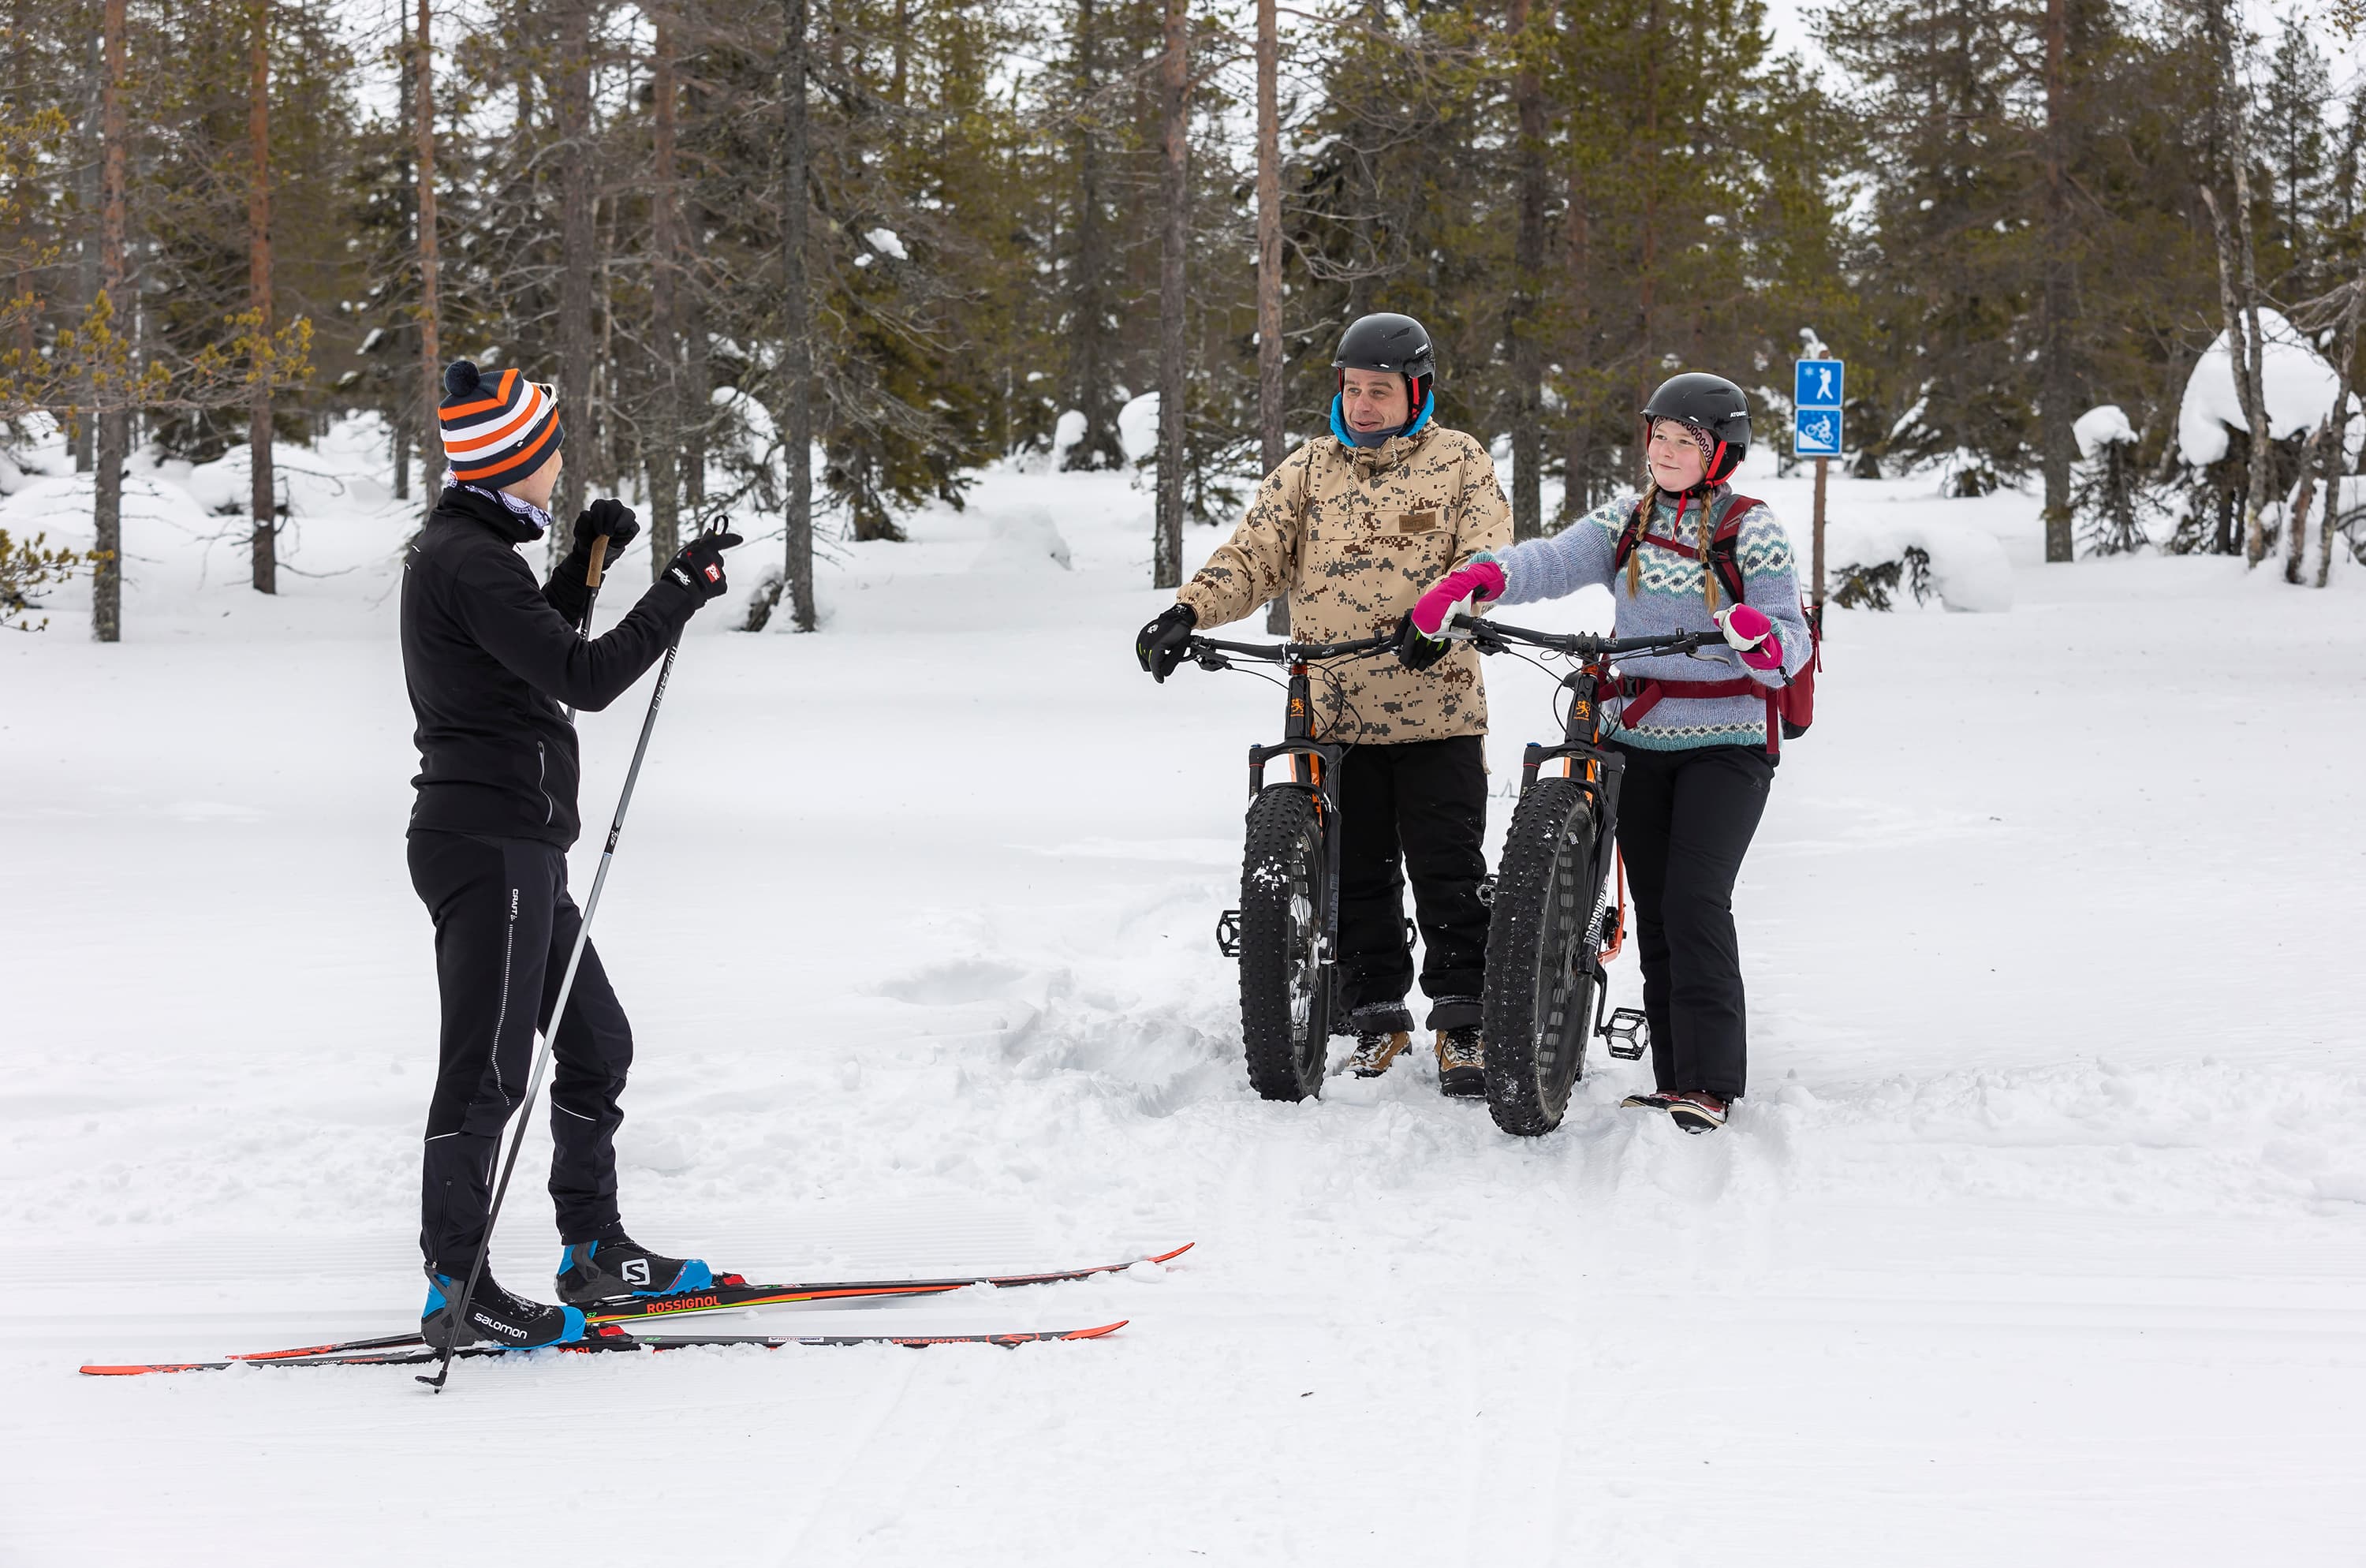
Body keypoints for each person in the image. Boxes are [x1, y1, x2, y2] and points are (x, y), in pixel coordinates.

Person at [401, 357, 743, 1348]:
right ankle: (454, 1285)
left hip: (522, 847)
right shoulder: (464, 559)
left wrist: (588, 557)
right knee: (487, 1074)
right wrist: (675, 593)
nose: (560, 466)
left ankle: (594, 1251)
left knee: (596, 1042)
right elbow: (582, 678)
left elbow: (536, 647)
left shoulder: (479, 552)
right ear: (517, 461)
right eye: (550, 453)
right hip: (488, 845)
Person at [1401, 372, 1809, 1133]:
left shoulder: (1751, 528)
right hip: (1638, 738)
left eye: (1684, 440)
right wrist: (1480, 578)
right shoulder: (1629, 518)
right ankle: (1674, 1079)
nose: (1664, 450)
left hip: (1728, 745)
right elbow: (1553, 561)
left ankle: (1713, 1080)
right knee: (1655, 909)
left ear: (1719, 451)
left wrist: (1758, 634)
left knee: (1694, 900)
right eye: (1657, 435)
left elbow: (1789, 648)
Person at [1135, 313, 1511, 1095]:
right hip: (1331, 714)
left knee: (1448, 871)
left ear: (1417, 390)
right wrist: (1188, 610)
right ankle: (1377, 1019)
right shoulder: (1308, 469)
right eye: (1352, 389)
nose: (1365, 404)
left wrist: (1444, 615)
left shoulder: (1458, 461)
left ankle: (1464, 1023)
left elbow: (1486, 557)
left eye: (1380, 390)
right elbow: (1253, 554)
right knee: (1356, 876)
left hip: (1437, 712)